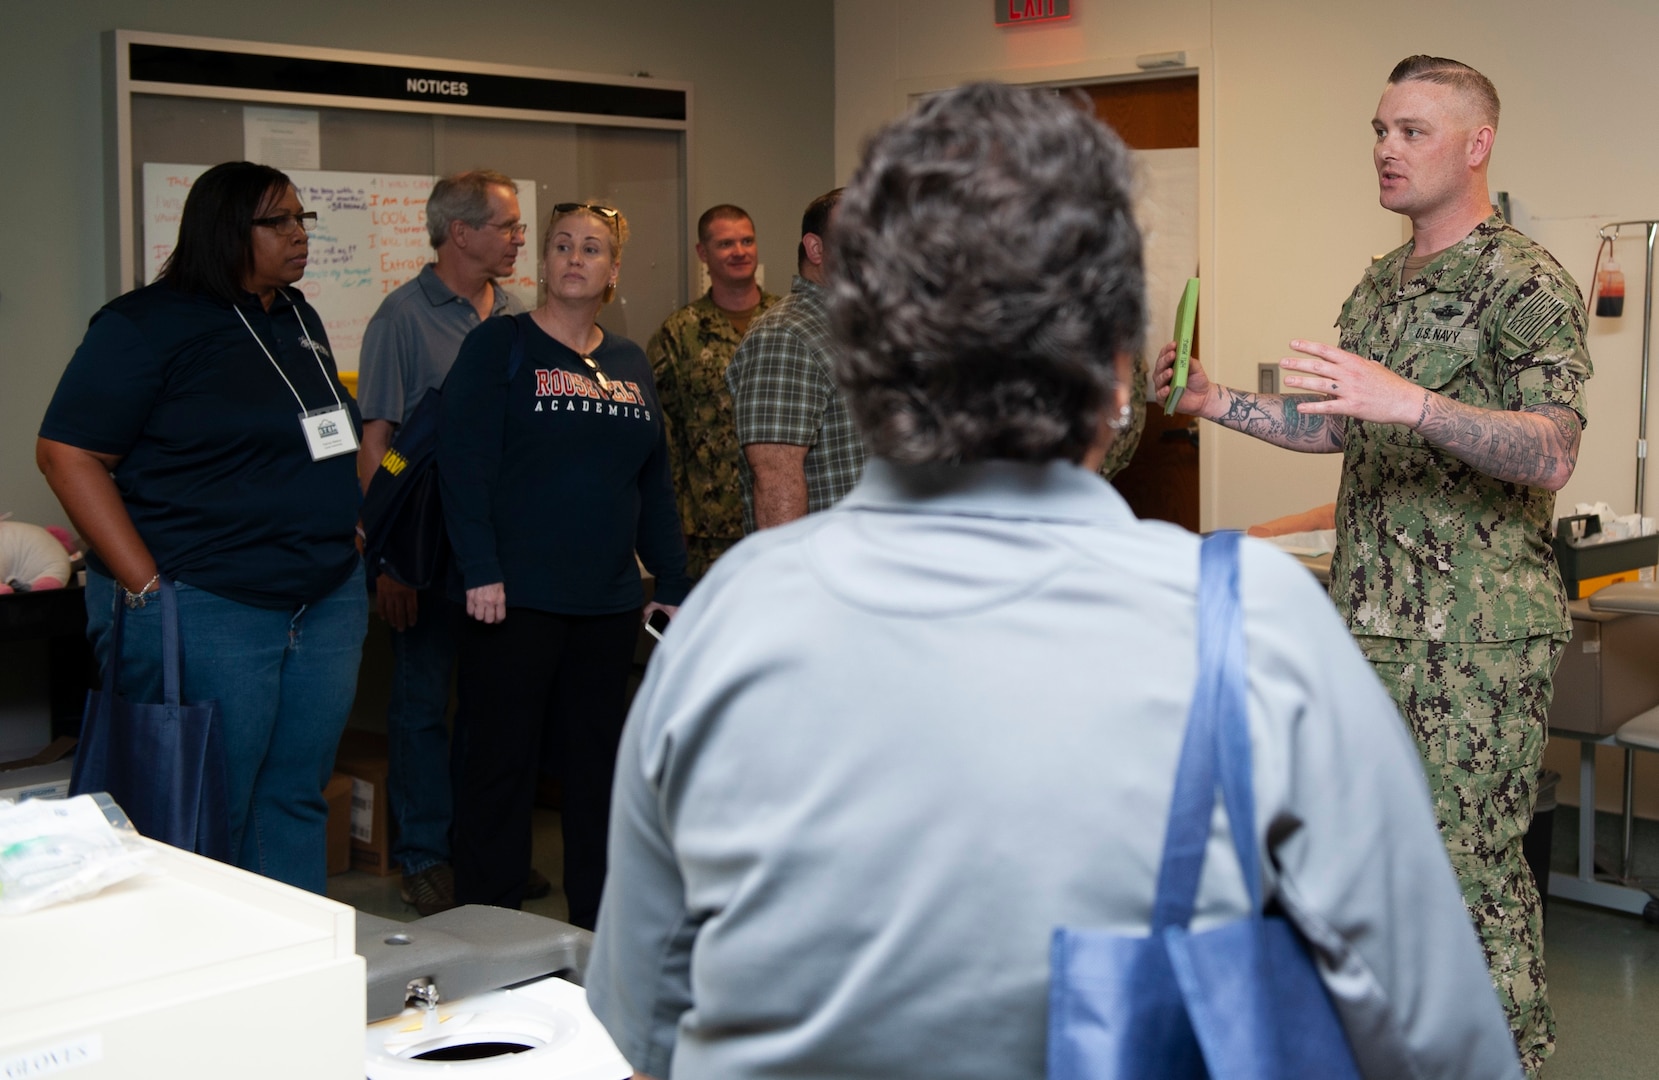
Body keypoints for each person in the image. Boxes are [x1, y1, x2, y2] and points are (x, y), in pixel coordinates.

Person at [587, 81, 1521, 1080]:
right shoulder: (1247, 626)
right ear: (1117, 374)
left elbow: (638, 1035)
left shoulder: (723, 626)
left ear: (861, 358)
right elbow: (1443, 1045)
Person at [1152, 56, 1589, 1075]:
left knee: (1468, 871)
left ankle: (1506, 1060)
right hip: (1369, 619)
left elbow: (1555, 448)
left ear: (1477, 144)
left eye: (1413, 132)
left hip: (1475, 637)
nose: (1387, 150)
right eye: (1381, 131)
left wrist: (1418, 403)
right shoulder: (1382, 282)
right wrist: (1219, 402)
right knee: (1373, 861)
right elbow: (1338, 429)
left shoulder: (1522, 280)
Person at [37, 161, 367, 894]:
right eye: (277, 221)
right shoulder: (144, 324)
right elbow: (68, 454)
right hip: (209, 599)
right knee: (204, 805)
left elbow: (317, 433)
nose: (298, 235)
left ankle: (293, 968)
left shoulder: (296, 315)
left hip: (323, 596)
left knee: (296, 794)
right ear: (225, 231)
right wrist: (145, 584)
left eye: (301, 219)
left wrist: (345, 521)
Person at [437, 200, 690, 928]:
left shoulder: (629, 361)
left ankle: (599, 937)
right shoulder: (501, 346)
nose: (575, 258)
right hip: (511, 602)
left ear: (612, 271)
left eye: (593, 249)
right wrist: (479, 567)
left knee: (599, 780)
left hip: (607, 605)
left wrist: (670, 583)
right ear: (542, 262)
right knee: (498, 775)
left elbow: (653, 483)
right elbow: (464, 465)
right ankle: (484, 932)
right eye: (561, 246)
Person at [355, 170, 525, 916]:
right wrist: (386, 557)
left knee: (491, 706)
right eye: (508, 225)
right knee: (422, 704)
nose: (520, 238)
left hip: (500, 549)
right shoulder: (402, 317)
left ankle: (482, 855)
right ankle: (426, 855)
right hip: (425, 551)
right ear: (461, 233)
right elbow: (377, 443)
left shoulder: (517, 314)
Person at [647, 204, 780, 578]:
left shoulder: (786, 322)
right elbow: (663, 437)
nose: (739, 251)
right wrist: (669, 523)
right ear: (703, 254)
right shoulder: (678, 333)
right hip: (708, 531)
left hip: (785, 519)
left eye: (747, 240)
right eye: (725, 244)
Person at [725, 188, 866, 532]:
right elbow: (776, 482)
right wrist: (788, 582)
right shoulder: (786, 335)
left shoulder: (864, 330)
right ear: (816, 249)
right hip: (824, 572)